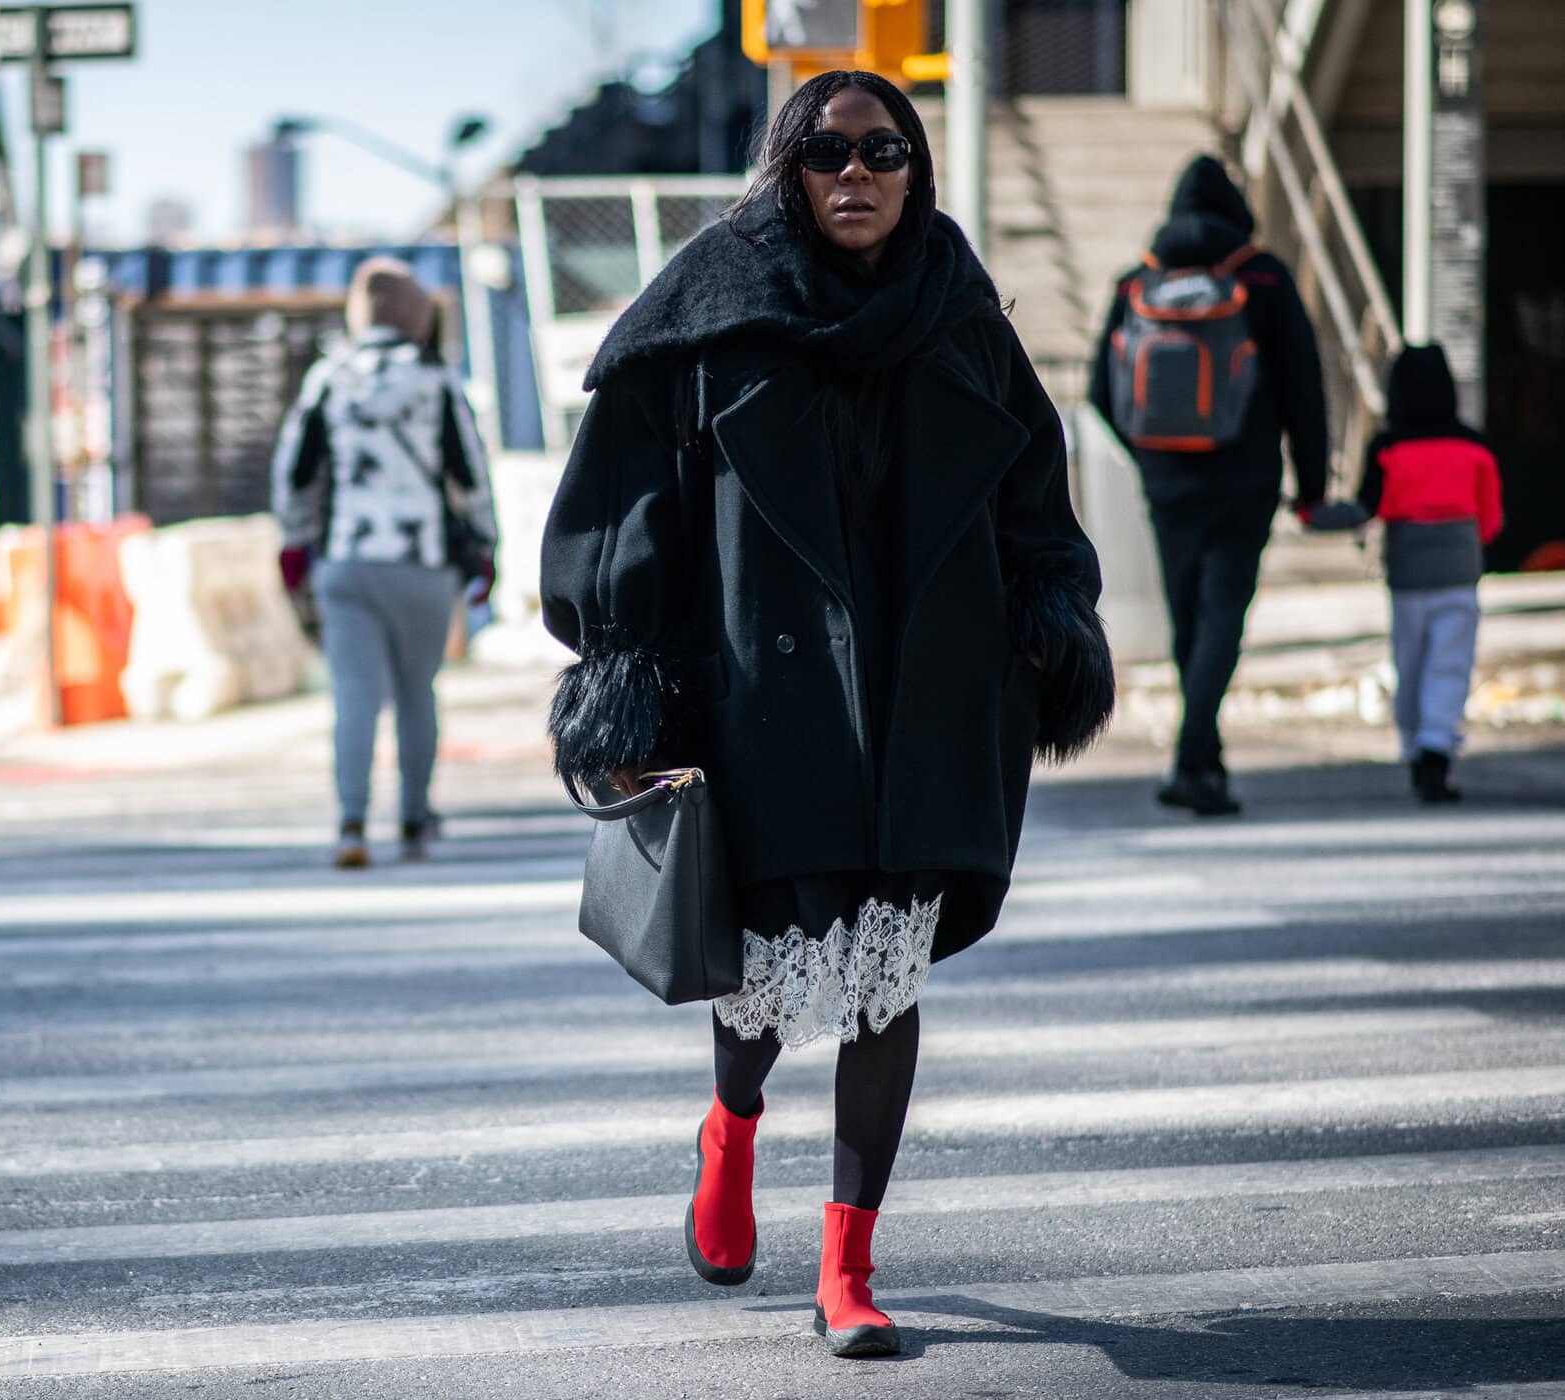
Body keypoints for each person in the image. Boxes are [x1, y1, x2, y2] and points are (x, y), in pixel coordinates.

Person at [540, 71, 1112, 1359]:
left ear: (916, 170)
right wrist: (626, 676)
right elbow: (623, 510)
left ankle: (849, 1265)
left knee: (883, 977)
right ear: (786, 169)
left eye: (884, 152)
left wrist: (1052, 616)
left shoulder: (958, 311)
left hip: (927, 690)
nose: (856, 175)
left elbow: (1033, 489)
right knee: (759, 973)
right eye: (827, 153)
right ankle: (730, 1131)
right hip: (759, 694)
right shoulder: (707, 311)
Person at [1091, 155, 1330, 817]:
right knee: (1223, 616)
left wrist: (1150, 459)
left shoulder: (1137, 281)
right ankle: (1193, 757)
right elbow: (1303, 390)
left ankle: (1203, 760)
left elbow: (1098, 392)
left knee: (1188, 618)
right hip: (1245, 477)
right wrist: (1312, 488)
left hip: (1168, 484)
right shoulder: (1263, 278)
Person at [272, 259, 498, 869]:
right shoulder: (437, 378)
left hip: (347, 560)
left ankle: (350, 824)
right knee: (417, 692)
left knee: (353, 696)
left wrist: (294, 545)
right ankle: (414, 820)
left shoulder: (328, 377)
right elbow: (469, 471)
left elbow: (295, 470)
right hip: (422, 563)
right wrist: (485, 545)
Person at [1305, 345, 1503, 802]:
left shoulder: (1388, 448)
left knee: (1410, 667)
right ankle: (1438, 747)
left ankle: (1415, 748)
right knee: (1450, 666)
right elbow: (1490, 521)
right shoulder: (1474, 446)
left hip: (1409, 578)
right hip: (1459, 574)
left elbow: (1364, 509)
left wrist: (1314, 515)